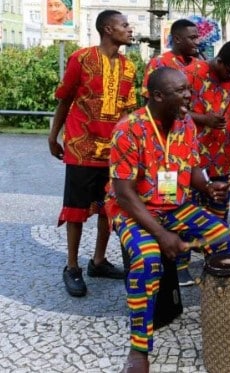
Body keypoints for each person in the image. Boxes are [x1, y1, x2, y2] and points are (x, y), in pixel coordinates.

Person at [106, 67, 230, 372]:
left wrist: (206, 185)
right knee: (147, 259)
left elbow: (190, 168)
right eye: (181, 91)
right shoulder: (129, 129)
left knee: (222, 238)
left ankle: (218, 314)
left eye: (188, 89)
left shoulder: (186, 123)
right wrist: (162, 235)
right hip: (134, 210)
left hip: (175, 207)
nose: (189, 96)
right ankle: (139, 348)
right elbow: (123, 194)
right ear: (158, 96)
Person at [48, 10, 136, 297]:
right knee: (76, 209)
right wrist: (53, 135)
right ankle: (72, 266)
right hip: (81, 147)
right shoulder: (81, 58)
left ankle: (98, 261)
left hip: (113, 151)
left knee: (108, 207)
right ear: (108, 29)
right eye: (124, 25)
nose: (129, 29)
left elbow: (127, 112)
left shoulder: (129, 67)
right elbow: (65, 99)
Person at [140, 18, 206, 286]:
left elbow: (196, 103)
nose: (197, 42)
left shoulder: (200, 66)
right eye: (192, 37)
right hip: (160, 143)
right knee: (159, 203)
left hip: (186, 141)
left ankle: (181, 264)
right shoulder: (159, 63)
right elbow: (149, 102)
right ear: (177, 38)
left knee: (182, 201)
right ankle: (158, 263)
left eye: (198, 37)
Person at [177, 40, 230, 280]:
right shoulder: (190, 74)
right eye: (229, 71)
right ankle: (181, 266)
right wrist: (203, 119)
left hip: (222, 158)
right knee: (187, 213)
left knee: (219, 214)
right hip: (191, 159)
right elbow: (175, 109)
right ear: (218, 61)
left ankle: (214, 262)